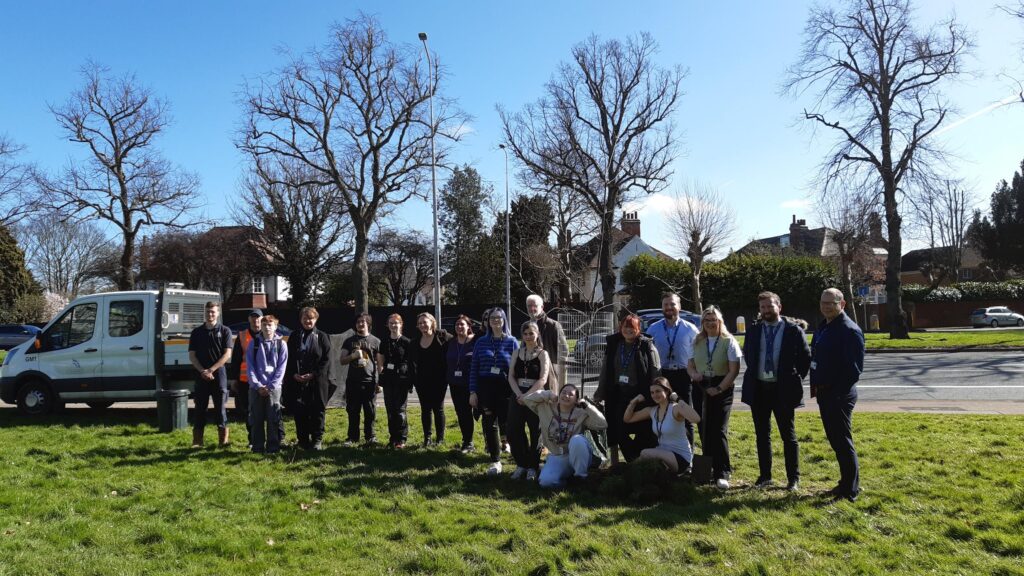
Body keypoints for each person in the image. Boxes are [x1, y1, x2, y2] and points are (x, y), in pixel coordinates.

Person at [741, 291, 812, 491]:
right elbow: (749, 355)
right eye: (762, 307)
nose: (766, 310)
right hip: (759, 389)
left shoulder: (793, 330)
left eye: (770, 306)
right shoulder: (754, 330)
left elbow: (805, 359)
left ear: (779, 307)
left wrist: (793, 378)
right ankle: (765, 476)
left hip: (783, 390)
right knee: (762, 435)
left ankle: (793, 479)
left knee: (788, 436)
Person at [811, 288, 865, 502]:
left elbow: (854, 370)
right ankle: (846, 483)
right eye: (823, 303)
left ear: (842, 304)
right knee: (836, 441)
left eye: (831, 303)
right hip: (825, 393)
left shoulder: (849, 330)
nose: (826, 307)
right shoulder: (824, 326)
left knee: (843, 442)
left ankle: (850, 490)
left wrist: (835, 394)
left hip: (839, 395)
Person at [687, 306, 742, 490]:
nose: (710, 323)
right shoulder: (697, 341)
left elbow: (734, 370)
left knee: (718, 430)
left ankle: (722, 472)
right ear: (702, 323)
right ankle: (706, 469)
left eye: (714, 320)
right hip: (701, 387)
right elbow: (690, 365)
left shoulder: (728, 341)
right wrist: (694, 374)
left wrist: (719, 388)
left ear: (720, 322)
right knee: (703, 428)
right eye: (707, 320)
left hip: (721, 387)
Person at [593, 314, 661, 464]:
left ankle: (642, 460)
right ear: (620, 328)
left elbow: (656, 372)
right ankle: (631, 460)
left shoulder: (647, 345)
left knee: (644, 431)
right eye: (626, 327)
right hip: (619, 395)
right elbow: (605, 370)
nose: (628, 330)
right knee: (618, 429)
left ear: (638, 330)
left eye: (632, 328)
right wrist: (600, 393)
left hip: (641, 396)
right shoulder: (614, 344)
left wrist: (653, 394)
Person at [522, 384, 607, 488]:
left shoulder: (581, 413)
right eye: (563, 392)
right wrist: (548, 394)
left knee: (577, 440)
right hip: (557, 456)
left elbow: (603, 424)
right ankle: (569, 482)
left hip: (578, 455)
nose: (566, 396)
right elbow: (527, 399)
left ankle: (581, 478)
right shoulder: (545, 407)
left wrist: (587, 406)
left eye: (571, 394)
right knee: (546, 482)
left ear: (576, 399)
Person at [469, 307, 519, 475]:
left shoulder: (512, 342)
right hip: (486, 388)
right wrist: (473, 392)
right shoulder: (480, 342)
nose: (496, 321)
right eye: (492, 318)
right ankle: (495, 460)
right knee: (490, 424)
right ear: (488, 322)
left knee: (509, 423)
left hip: (505, 388)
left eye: (499, 318)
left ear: (504, 320)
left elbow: (518, 369)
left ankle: (518, 458)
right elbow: (474, 368)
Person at [646, 293, 700, 446]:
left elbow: (697, 354)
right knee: (661, 412)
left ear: (679, 307)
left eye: (672, 304)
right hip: (662, 376)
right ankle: (663, 449)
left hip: (683, 375)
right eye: (666, 305)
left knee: (686, 413)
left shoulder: (691, 329)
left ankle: (688, 456)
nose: (669, 308)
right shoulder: (653, 329)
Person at [622, 377, 701, 473]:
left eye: (658, 391)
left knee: (645, 453)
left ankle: (626, 471)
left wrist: (677, 398)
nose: (655, 395)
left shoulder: (675, 409)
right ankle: (628, 472)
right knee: (646, 466)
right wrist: (633, 402)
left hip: (681, 458)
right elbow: (628, 419)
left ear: (667, 391)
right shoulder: (652, 410)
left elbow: (696, 419)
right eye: (652, 392)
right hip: (662, 453)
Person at [506, 320, 550, 481]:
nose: (528, 336)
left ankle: (533, 466)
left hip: (535, 395)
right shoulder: (517, 353)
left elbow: (543, 378)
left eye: (531, 333)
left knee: (535, 432)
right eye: (525, 333)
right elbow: (511, 375)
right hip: (517, 395)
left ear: (537, 334)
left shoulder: (542, 354)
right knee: (513, 430)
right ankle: (521, 464)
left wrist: (528, 396)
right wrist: (519, 394)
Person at [285, 307, 333, 451]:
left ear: (316, 319)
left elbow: (327, 359)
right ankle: (303, 440)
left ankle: (317, 439)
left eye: (311, 318)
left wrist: (313, 374)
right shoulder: (294, 336)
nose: (308, 321)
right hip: (298, 381)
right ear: (300, 320)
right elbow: (289, 358)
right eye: (305, 318)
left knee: (317, 411)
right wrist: (294, 374)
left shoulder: (323, 336)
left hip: (317, 381)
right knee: (300, 411)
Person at [188, 301, 234, 448]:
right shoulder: (196, 332)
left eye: (213, 312)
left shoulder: (225, 331)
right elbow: (192, 355)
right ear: (205, 312)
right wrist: (202, 371)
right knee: (200, 408)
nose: (210, 314)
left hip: (218, 375)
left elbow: (227, 354)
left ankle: (223, 441)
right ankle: (197, 441)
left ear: (218, 313)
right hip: (201, 376)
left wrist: (211, 370)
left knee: (220, 408)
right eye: (208, 311)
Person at [246, 314, 288, 454]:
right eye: (264, 325)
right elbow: (250, 367)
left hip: (274, 388)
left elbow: (281, 368)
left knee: (273, 418)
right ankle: (257, 447)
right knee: (256, 419)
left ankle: (273, 447)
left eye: (270, 325)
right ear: (261, 327)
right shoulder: (254, 343)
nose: (267, 327)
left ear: (276, 326)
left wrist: (270, 386)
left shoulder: (282, 344)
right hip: (256, 388)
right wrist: (258, 385)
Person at [409, 312, 451, 447]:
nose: (422, 325)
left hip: (439, 381)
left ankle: (440, 439)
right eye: (420, 323)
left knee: (438, 409)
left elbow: (456, 343)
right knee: (425, 409)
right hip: (421, 381)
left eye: (424, 322)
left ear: (432, 322)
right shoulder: (415, 342)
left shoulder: (442, 337)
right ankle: (427, 438)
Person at [340, 313, 381, 445]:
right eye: (358, 322)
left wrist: (380, 383)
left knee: (370, 412)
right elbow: (342, 360)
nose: (360, 324)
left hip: (370, 382)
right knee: (353, 411)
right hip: (353, 381)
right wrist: (353, 356)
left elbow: (380, 365)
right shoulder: (349, 341)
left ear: (368, 324)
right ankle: (352, 437)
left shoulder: (376, 341)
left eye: (363, 321)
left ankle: (370, 437)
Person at [227, 309, 262, 448]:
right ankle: (253, 440)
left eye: (258, 317)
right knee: (249, 411)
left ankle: (274, 439)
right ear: (249, 319)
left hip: (265, 380)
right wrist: (234, 379)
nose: (255, 320)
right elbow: (235, 359)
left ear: (262, 319)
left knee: (269, 411)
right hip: (245, 381)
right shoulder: (242, 336)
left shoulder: (267, 333)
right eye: (253, 318)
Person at [376, 314, 412, 449]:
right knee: (390, 410)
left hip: (401, 380)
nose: (393, 325)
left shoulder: (407, 342)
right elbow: (380, 358)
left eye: (396, 323)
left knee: (400, 410)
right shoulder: (384, 342)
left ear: (401, 324)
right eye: (391, 323)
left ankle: (401, 439)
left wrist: (409, 381)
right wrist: (380, 374)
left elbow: (410, 363)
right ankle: (393, 437)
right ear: (387, 325)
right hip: (388, 380)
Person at [445, 314, 477, 453]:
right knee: (462, 413)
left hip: (472, 383)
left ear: (469, 326)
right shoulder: (451, 342)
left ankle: (491, 443)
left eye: (462, 324)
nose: (459, 327)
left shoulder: (476, 341)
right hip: (455, 384)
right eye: (457, 324)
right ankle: (468, 442)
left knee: (480, 413)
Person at [526, 294, 569, 392]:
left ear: (542, 307)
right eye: (529, 306)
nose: (532, 308)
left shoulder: (553, 325)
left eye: (535, 305)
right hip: (531, 373)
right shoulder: (526, 326)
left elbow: (563, 351)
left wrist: (557, 372)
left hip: (550, 372)